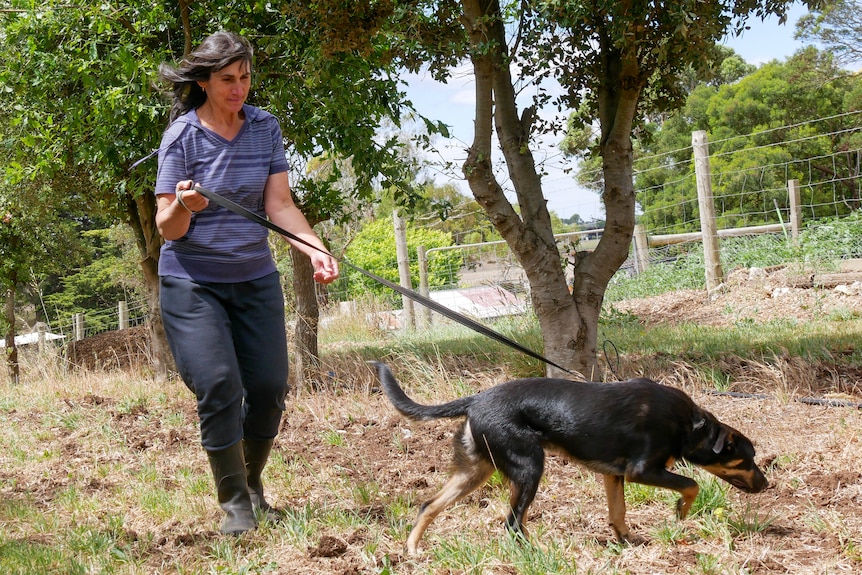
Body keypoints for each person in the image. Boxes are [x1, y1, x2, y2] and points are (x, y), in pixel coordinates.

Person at [153, 31, 339, 535]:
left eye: (245, 77)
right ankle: (234, 502)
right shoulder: (183, 138)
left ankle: (253, 483)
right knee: (219, 384)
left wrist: (314, 246)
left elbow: (279, 204)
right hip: (194, 282)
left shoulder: (264, 128)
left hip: (254, 276)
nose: (239, 89)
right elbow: (165, 228)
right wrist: (184, 207)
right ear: (206, 83)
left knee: (269, 385)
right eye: (227, 80)